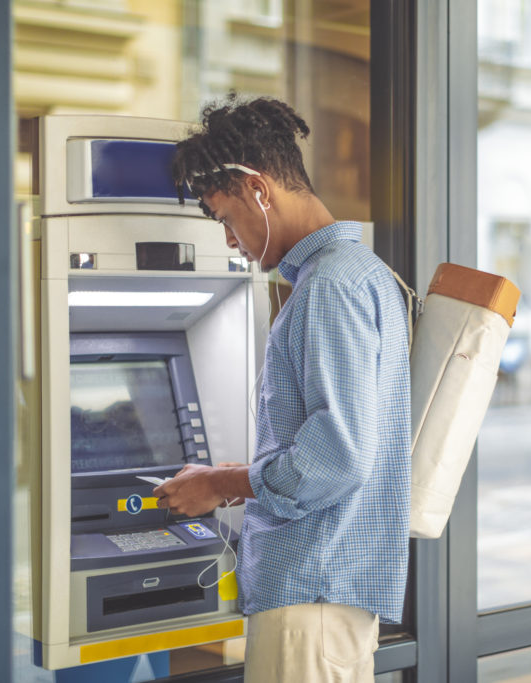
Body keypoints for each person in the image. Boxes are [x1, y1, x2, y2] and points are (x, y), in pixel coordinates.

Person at [156, 95, 411, 682]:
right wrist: (250, 474)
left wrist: (222, 484)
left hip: (310, 593)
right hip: (322, 594)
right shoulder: (359, 273)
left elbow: (338, 457)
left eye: (224, 218)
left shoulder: (329, 286)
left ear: (258, 190)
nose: (229, 241)